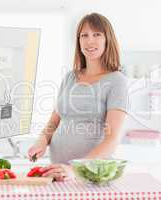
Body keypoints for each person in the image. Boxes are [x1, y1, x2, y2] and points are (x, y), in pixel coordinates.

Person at [28, 13, 129, 181]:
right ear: (79, 41)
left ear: (107, 39)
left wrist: (76, 169)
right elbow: (54, 121)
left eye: (97, 34)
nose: (90, 41)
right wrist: (42, 141)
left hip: (92, 175)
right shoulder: (70, 77)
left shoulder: (117, 81)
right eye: (84, 35)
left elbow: (112, 139)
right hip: (60, 174)